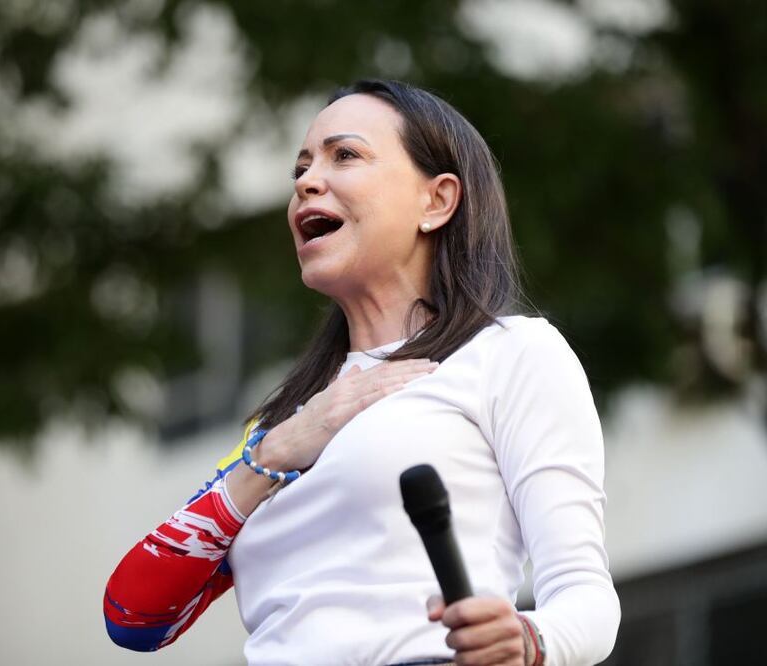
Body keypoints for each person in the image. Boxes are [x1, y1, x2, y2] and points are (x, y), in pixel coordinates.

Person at [104, 79, 620, 666]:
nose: (305, 182)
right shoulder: (278, 429)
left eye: (344, 155)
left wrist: (529, 641)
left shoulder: (509, 354)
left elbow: (586, 597)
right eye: (300, 167)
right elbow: (134, 616)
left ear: (438, 201)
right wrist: (277, 451)